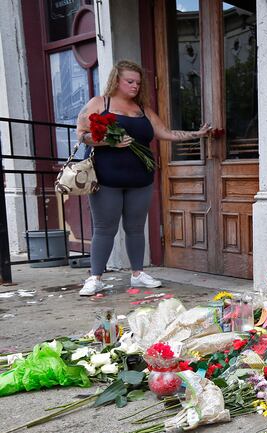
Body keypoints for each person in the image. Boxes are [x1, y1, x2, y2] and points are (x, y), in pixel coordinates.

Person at [76, 60, 211, 297]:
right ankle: (95, 277)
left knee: (136, 228)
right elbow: (82, 136)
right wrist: (109, 141)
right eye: (130, 81)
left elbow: (165, 133)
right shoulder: (99, 103)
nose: (135, 86)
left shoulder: (143, 110)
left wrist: (196, 134)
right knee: (104, 228)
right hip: (106, 178)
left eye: (138, 82)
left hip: (141, 177)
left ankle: (137, 274)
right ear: (116, 80)